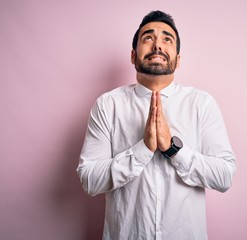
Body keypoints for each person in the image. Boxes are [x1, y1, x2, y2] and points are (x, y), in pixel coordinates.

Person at [77, 10, 236, 240]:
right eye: (148, 38)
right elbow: (89, 179)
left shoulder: (201, 103)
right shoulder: (107, 105)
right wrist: (143, 149)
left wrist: (173, 150)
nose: (157, 46)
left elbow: (224, 176)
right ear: (133, 56)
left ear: (178, 59)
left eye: (167, 39)